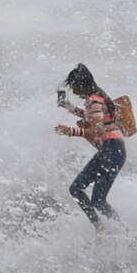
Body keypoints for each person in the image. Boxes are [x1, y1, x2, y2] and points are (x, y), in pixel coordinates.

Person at [55, 63, 126, 231]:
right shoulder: (92, 100)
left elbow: (97, 129)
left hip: (113, 151)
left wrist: (70, 131)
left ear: (81, 84)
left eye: (73, 86)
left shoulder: (95, 100)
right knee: (76, 189)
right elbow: (89, 116)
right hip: (108, 151)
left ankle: (124, 231)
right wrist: (67, 106)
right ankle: (99, 227)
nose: (72, 89)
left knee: (98, 201)